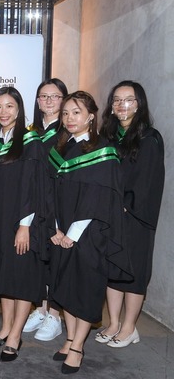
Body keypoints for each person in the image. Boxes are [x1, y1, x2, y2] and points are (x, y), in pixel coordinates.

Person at [49, 91, 131, 374]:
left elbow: (98, 198)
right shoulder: (60, 149)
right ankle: (70, 337)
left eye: (76, 112)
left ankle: (77, 347)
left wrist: (72, 232)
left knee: (84, 288)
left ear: (91, 116)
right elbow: (48, 191)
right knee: (65, 287)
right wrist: (54, 227)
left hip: (89, 232)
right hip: (61, 231)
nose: (70, 118)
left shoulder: (103, 151)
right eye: (65, 113)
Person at [0, 87, 50, 362]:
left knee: (21, 279)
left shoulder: (30, 142)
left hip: (21, 222)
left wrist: (24, 225)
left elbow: (33, 187)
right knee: (4, 277)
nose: (3, 112)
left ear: (19, 109)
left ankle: (15, 335)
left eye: (9, 106)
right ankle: (5, 328)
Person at [98, 81, 164, 348]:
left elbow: (147, 181)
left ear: (139, 104)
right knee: (112, 269)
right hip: (110, 214)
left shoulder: (149, 138)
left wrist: (125, 205)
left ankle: (129, 327)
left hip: (135, 217)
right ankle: (113, 323)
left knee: (134, 273)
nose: (121, 104)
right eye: (116, 100)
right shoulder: (108, 137)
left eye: (128, 99)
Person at [23, 78, 69, 342]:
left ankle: (55, 314)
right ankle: (41, 308)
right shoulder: (32, 132)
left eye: (55, 96)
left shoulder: (67, 133)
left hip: (58, 204)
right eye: (43, 96)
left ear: (64, 100)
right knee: (39, 257)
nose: (49, 101)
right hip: (35, 203)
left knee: (56, 260)